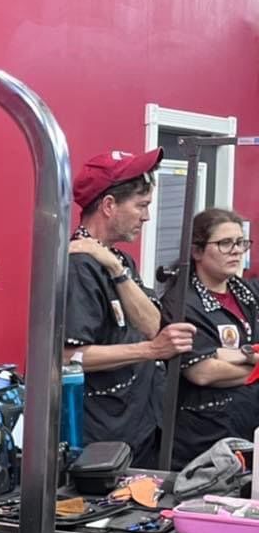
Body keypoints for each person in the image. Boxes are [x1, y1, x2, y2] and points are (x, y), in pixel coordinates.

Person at [64, 148, 195, 465]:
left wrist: (116, 268)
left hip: (140, 425)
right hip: (101, 439)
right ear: (109, 206)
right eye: (141, 206)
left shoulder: (119, 261)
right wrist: (149, 351)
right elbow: (67, 357)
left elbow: (153, 327)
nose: (147, 217)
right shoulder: (79, 266)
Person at [171, 207, 259, 467]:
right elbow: (202, 371)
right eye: (224, 243)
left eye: (241, 242)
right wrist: (254, 362)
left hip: (248, 427)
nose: (236, 250)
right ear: (197, 251)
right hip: (205, 437)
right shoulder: (181, 302)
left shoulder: (246, 294)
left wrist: (229, 355)